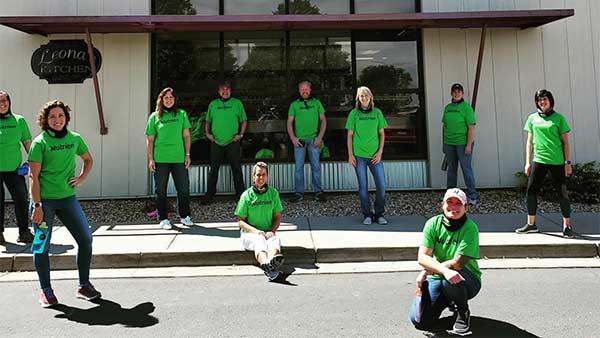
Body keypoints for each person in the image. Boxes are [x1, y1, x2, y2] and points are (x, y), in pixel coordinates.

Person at [28, 100, 101, 307]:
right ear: (45, 120)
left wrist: (82, 177)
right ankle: (46, 291)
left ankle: (84, 285)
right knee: (41, 247)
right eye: (52, 117)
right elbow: (33, 177)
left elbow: (88, 159)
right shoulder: (39, 143)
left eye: (61, 116)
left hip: (68, 199)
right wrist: (37, 206)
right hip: (44, 203)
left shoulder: (75, 139)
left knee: (86, 239)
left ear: (66, 118)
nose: (57, 120)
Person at [410, 188, 481, 336]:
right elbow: (422, 257)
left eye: (458, 204)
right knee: (420, 321)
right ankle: (448, 300)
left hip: (467, 279)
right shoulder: (432, 224)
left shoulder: (470, 228)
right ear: (443, 205)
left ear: (466, 208)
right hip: (439, 276)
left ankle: (462, 311)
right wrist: (434, 272)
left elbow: (457, 263)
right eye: (449, 202)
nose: (453, 207)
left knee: (451, 277)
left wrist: (427, 271)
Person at [516, 89, 574, 238]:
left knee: (562, 193)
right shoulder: (532, 118)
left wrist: (567, 162)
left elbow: (566, 143)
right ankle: (531, 224)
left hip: (556, 161)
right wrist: (528, 162)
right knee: (531, 191)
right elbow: (529, 141)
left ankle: (567, 226)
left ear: (550, 101)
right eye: (539, 100)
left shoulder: (559, 118)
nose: (542, 102)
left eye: (545, 99)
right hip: (539, 160)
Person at [145, 87, 194, 230]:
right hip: (160, 159)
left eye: (171, 97)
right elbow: (150, 140)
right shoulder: (154, 117)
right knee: (161, 190)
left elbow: (186, 136)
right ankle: (163, 218)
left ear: (175, 99)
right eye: (165, 97)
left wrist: (187, 154)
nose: (168, 100)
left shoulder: (181, 114)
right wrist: (150, 159)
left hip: (179, 158)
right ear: (161, 99)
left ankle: (185, 216)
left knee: (183, 188)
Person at [345, 86, 388, 225]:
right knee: (363, 187)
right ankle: (367, 215)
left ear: (370, 97)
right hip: (359, 156)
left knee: (381, 186)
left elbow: (382, 134)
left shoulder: (377, 113)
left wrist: (380, 152)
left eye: (366, 95)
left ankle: (379, 213)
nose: (364, 98)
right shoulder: (354, 114)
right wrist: (350, 154)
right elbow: (349, 135)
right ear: (358, 98)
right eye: (361, 96)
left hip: (375, 156)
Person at [235, 161, 284, 281]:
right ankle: (266, 264)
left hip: (267, 232)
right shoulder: (246, 195)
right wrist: (256, 231)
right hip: (250, 234)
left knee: (275, 240)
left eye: (263, 174)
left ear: (267, 176)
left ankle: (271, 264)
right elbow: (240, 221)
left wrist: (272, 231)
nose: (261, 178)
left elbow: (278, 216)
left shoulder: (273, 193)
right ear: (253, 177)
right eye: (258, 175)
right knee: (259, 240)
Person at [203, 81, 247, 204]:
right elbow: (208, 121)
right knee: (214, 170)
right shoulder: (213, 104)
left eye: (227, 89)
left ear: (231, 91)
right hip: (216, 142)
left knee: (237, 169)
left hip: (232, 142)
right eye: (222, 89)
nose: (225, 91)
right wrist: (207, 134)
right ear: (219, 91)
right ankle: (209, 195)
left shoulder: (237, 103)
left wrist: (241, 135)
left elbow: (243, 120)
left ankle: (241, 196)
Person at [0, 90, 34, 244]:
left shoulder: (19, 120)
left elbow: (27, 142)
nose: (2, 104)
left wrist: (33, 162)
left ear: (9, 102)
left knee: (21, 199)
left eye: (5, 101)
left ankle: (24, 232)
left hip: (15, 170)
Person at [287, 81, 327, 202]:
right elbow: (289, 122)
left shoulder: (316, 103)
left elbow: (323, 120)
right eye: (302, 89)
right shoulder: (294, 105)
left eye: (306, 89)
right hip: (300, 141)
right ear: (299, 91)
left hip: (314, 140)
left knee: (316, 167)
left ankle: (318, 192)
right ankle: (299, 193)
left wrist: (320, 137)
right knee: (299, 168)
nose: (304, 91)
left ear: (310, 89)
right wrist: (293, 138)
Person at [442, 83, 479, 206]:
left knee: (466, 169)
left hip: (463, 144)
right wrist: (444, 143)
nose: (457, 93)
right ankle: (450, 195)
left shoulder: (467, 108)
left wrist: (469, 145)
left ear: (462, 94)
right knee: (451, 170)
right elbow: (444, 126)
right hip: (449, 143)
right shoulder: (447, 107)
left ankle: (472, 196)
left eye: (459, 91)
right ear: (451, 93)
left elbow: (471, 127)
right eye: (454, 91)